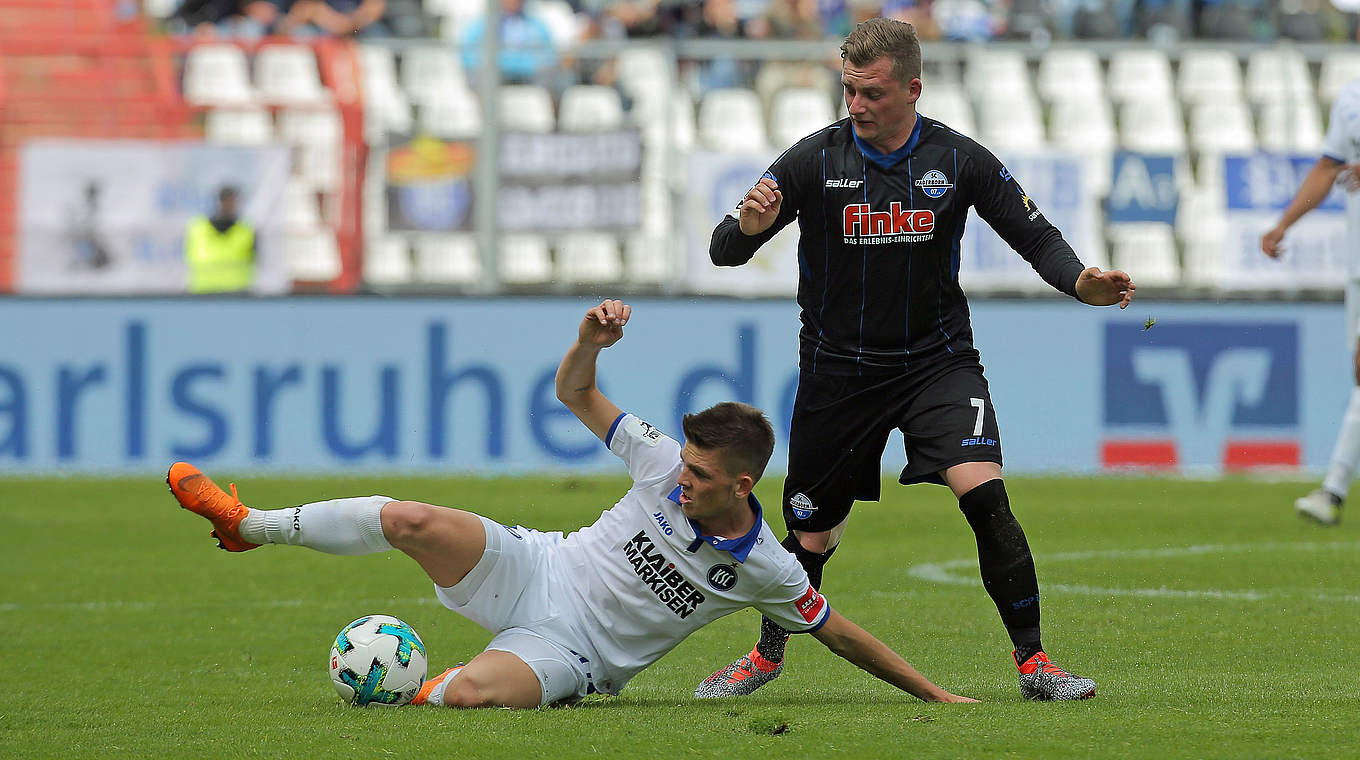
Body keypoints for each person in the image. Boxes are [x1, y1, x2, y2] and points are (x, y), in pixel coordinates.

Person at [167, 300, 977, 709]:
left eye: (700, 474)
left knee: (477, 700)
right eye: (683, 464)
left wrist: (937, 694)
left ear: (741, 485)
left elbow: (839, 634)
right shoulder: (659, 459)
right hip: (533, 566)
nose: (681, 478)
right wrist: (590, 341)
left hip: (577, 657)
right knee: (408, 519)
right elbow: (576, 391)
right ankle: (248, 525)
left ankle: (408, 686)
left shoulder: (765, 565)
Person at [698, 17, 1135, 702]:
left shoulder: (957, 160)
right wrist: (748, 230)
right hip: (838, 376)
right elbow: (725, 247)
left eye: (872, 93)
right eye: (848, 90)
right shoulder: (814, 160)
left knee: (986, 498)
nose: (857, 105)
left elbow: (1034, 233)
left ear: (913, 88)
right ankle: (767, 653)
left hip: (937, 364)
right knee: (811, 536)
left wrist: (1080, 282)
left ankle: (1035, 666)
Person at [1260, 77, 1360, 527]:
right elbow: (1327, 167)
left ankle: (1334, 489)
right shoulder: (1351, 95)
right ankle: (1333, 490)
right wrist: (1284, 224)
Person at [184, 185, 255, 294]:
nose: (229, 205)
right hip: (202, 295)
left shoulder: (247, 231)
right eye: (226, 200)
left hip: (237, 296)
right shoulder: (197, 229)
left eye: (232, 201)